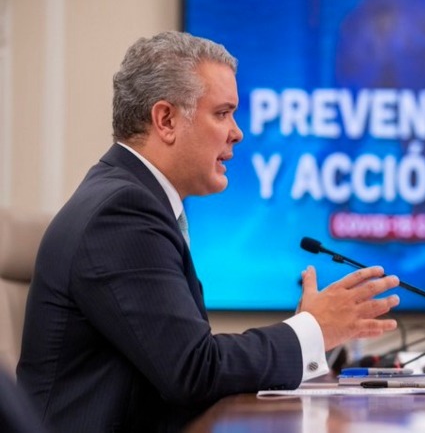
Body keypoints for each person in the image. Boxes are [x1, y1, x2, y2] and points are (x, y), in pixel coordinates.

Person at [17, 31, 400, 433]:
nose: (237, 132)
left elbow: (186, 364)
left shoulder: (131, 198)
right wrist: (312, 330)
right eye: (222, 113)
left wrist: (309, 331)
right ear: (166, 120)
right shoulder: (121, 213)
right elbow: (193, 370)